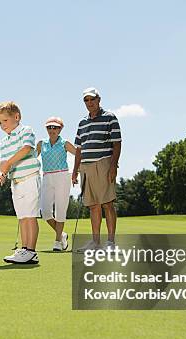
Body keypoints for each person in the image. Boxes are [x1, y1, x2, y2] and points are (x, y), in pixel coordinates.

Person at [72, 87, 122, 251]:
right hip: (85, 166)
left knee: (107, 203)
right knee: (93, 205)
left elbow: (117, 143)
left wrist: (113, 166)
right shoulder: (82, 123)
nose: (89, 103)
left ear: (99, 99)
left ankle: (111, 242)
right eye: (86, 100)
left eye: (92, 99)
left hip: (103, 163)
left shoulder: (110, 118)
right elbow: (79, 149)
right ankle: (95, 243)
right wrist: (75, 171)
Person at [0, 101, 40, 264]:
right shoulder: (4, 142)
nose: (2, 125)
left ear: (16, 117)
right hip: (16, 181)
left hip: (30, 176)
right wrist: (2, 173)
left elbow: (26, 148)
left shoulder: (25, 131)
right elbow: (4, 164)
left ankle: (31, 251)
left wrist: (8, 163)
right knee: (22, 217)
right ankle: (24, 249)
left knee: (30, 216)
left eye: (5, 121)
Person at [36, 116, 76, 251]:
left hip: (62, 176)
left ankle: (58, 241)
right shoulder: (41, 143)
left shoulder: (65, 143)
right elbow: (31, 158)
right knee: (45, 211)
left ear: (60, 129)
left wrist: (79, 170)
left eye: (55, 127)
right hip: (46, 177)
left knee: (60, 209)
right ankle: (62, 234)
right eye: (49, 127)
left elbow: (78, 154)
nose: (52, 129)